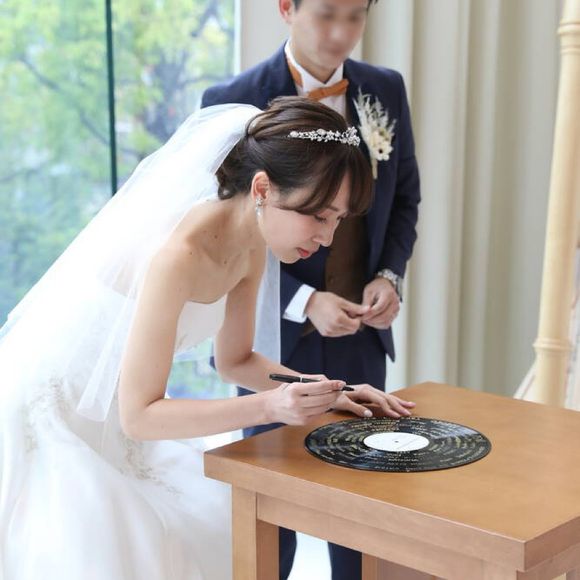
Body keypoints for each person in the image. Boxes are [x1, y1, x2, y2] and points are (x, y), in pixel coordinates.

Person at [0, 96, 415, 580]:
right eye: (319, 216)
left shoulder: (252, 246)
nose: (327, 238)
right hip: (58, 418)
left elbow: (236, 360)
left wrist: (332, 394)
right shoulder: (176, 257)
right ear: (262, 188)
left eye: (338, 220)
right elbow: (140, 414)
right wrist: (272, 407)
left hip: (120, 421)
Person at [201, 1, 421, 578]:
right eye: (325, 15)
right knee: (271, 520)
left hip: (361, 341)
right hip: (271, 340)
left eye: (355, 16)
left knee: (364, 514)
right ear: (286, 8)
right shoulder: (232, 100)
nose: (341, 33)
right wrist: (303, 301)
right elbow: (230, 229)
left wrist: (388, 276)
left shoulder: (386, 89)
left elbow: (404, 199)